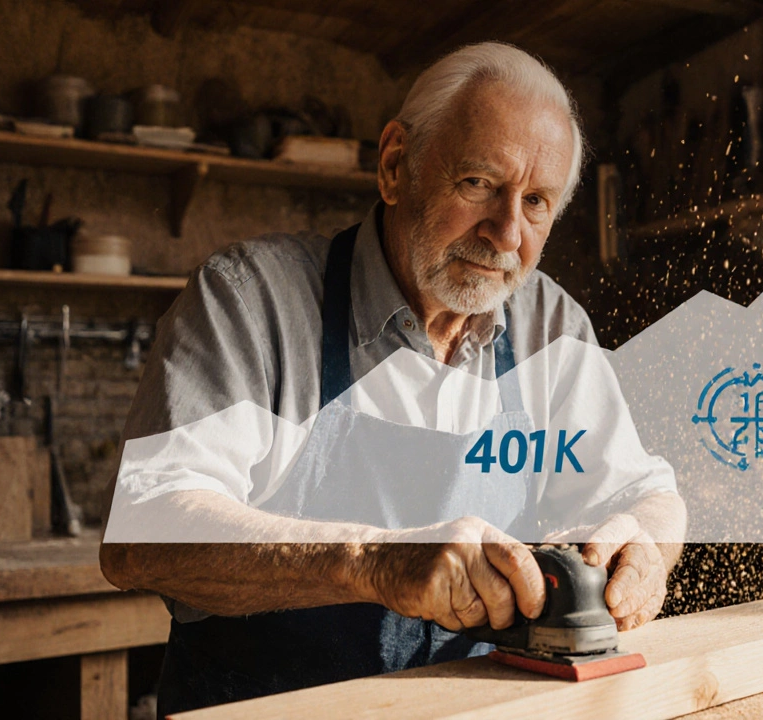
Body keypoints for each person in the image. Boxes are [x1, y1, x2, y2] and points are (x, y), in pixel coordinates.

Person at [99, 42, 685, 715]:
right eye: (479, 184)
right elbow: (142, 531)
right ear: (396, 165)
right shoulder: (252, 301)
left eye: (537, 204)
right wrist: (370, 560)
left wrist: (641, 548)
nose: (505, 235)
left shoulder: (550, 326)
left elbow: (648, 493)